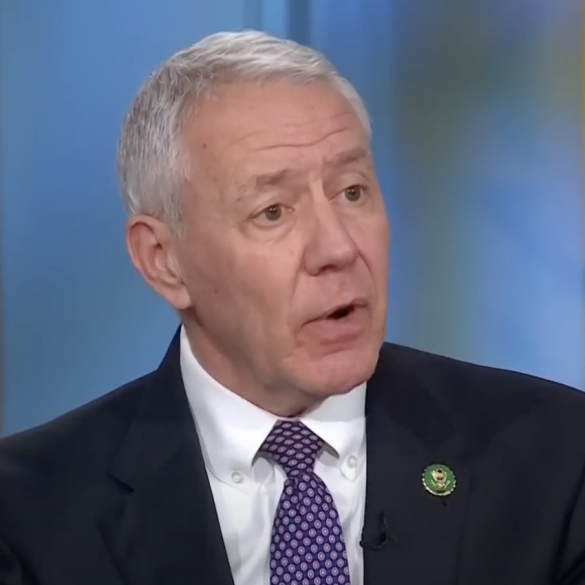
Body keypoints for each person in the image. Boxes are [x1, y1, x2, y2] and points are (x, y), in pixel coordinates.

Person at [0, 29, 584, 585]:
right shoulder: (26, 515)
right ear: (164, 261)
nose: (338, 248)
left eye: (352, 191)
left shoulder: (555, 457)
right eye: (273, 212)